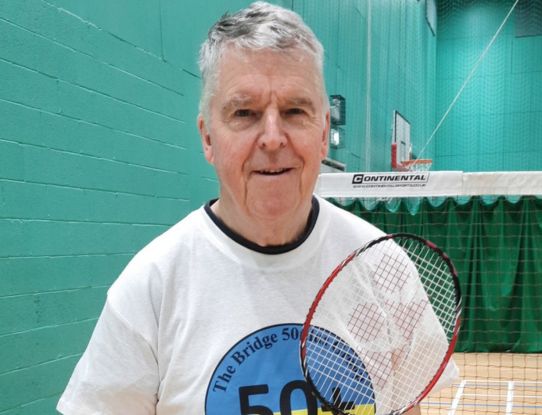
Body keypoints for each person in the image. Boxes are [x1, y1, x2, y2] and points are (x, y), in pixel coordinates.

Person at [57, 2, 456, 414]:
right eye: (244, 113)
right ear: (208, 137)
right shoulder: (151, 288)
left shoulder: (383, 266)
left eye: (294, 111)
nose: (271, 137)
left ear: (323, 135)